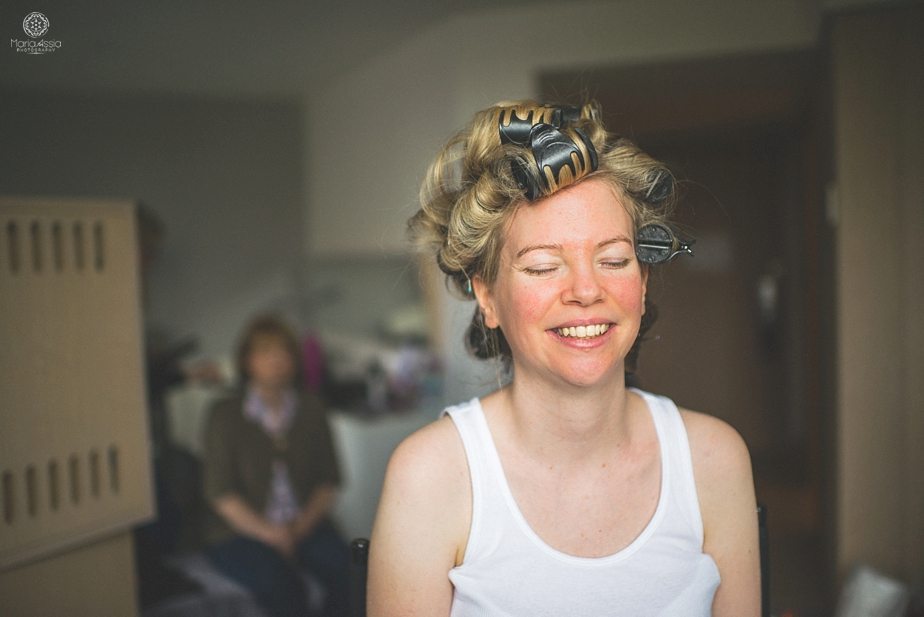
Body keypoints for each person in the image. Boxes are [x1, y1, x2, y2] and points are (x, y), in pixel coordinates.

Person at [368, 101, 760, 616]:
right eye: (544, 266)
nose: (585, 289)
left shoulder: (715, 460)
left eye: (614, 260)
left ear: (642, 284)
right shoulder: (430, 476)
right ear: (485, 296)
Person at [202, 314, 350, 617]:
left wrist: (298, 529)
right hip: (241, 531)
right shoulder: (224, 414)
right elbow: (220, 492)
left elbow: (329, 480)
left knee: (351, 575)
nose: (276, 360)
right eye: (266, 352)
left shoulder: (311, 408)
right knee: (284, 590)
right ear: (247, 361)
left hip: (305, 524)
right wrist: (271, 534)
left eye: (284, 352)